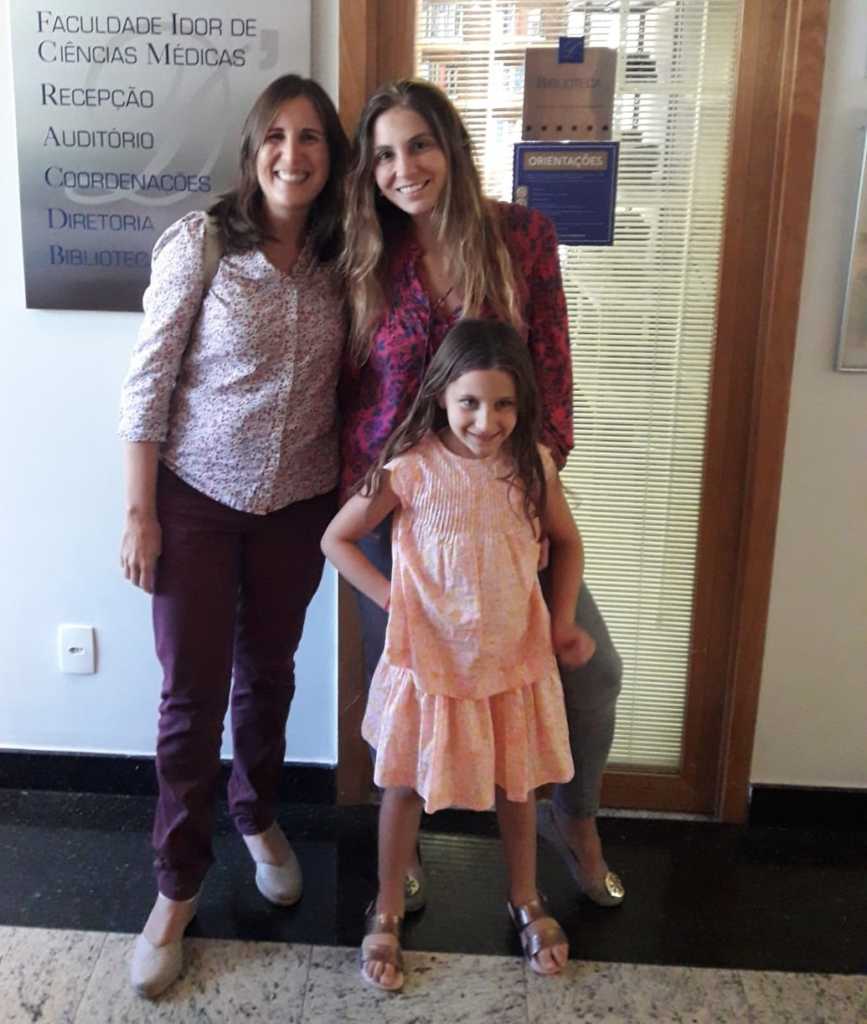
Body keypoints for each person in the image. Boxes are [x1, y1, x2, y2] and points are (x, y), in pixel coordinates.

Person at [340, 79, 624, 915]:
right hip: (403, 517)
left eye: (418, 145)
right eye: (383, 155)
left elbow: (552, 370)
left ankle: (575, 822)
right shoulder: (364, 254)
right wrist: (369, 491)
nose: (403, 168)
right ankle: (402, 851)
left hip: (503, 505)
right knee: (408, 696)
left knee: (590, 675)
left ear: (451, 148)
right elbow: (349, 388)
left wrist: (529, 480)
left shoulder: (520, 237)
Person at [118, 73, 349, 999]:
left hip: (299, 505)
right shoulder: (204, 242)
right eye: (277, 137)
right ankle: (175, 887)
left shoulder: (345, 255)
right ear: (254, 150)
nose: (293, 154)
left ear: (331, 157)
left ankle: (256, 815)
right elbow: (147, 380)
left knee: (269, 675)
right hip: (196, 501)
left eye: (311, 138)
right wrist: (140, 512)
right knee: (191, 696)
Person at [323, 320, 596, 990]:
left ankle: (525, 896)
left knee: (518, 786)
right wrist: (393, 599)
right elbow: (337, 540)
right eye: (469, 402)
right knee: (402, 785)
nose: (485, 420)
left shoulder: (532, 465)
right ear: (441, 394)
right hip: (429, 661)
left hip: (511, 658)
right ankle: (387, 905)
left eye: (503, 404)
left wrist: (562, 621)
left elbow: (567, 543)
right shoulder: (410, 468)